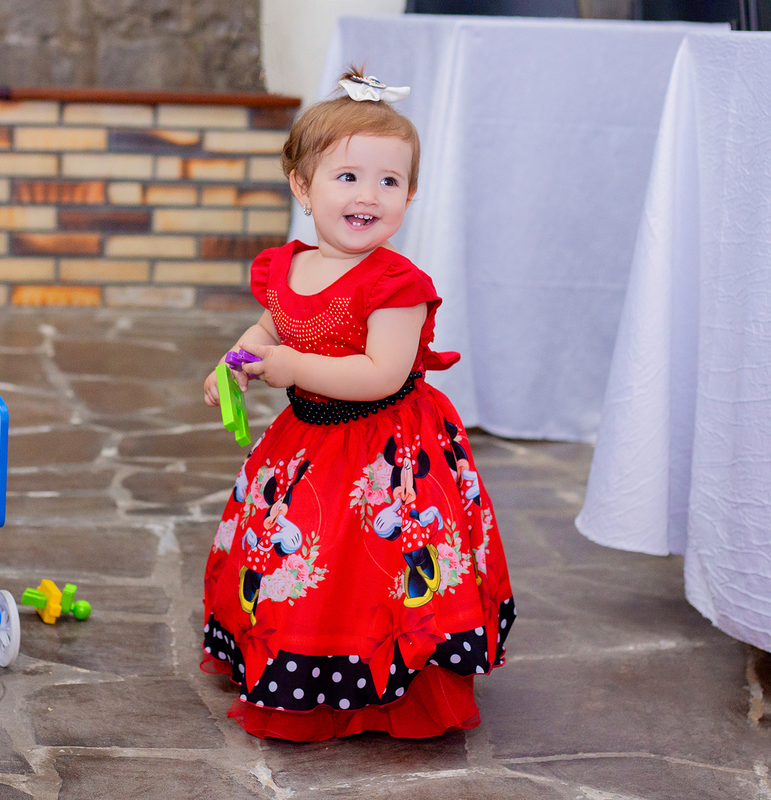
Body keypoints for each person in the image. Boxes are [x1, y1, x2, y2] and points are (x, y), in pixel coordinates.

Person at [200, 68, 515, 742]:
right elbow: (270, 327)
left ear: (410, 194)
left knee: (376, 564)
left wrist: (288, 367)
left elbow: (380, 374)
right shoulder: (289, 267)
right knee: (300, 555)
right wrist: (240, 358)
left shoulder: (397, 284)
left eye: (389, 181)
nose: (368, 194)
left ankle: (388, 678)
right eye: (347, 177)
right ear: (302, 187)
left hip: (386, 454)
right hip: (310, 439)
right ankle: (300, 656)